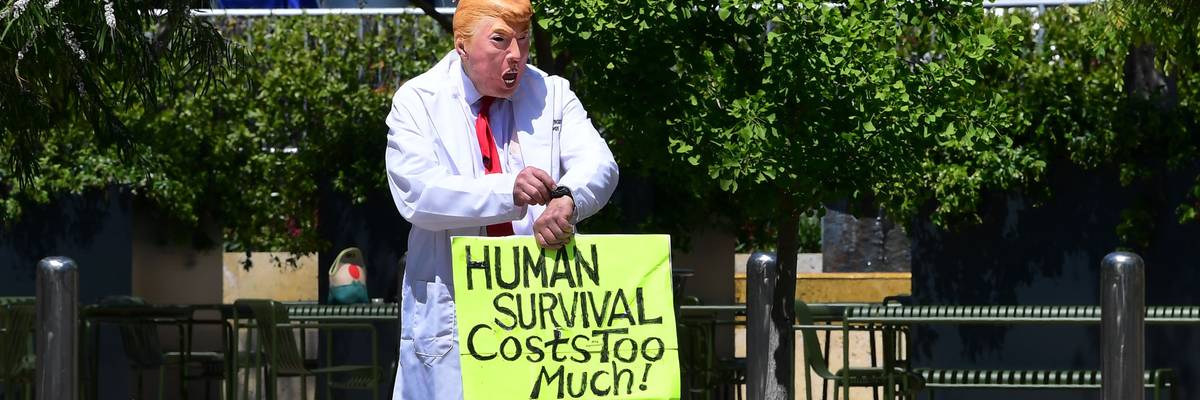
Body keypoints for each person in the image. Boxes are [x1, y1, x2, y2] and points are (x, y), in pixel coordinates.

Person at [383, 0, 619, 398]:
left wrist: (567, 199)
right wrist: (506, 190)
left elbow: (599, 163)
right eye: (500, 41)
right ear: (461, 45)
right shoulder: (418, 100)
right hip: (454, 314)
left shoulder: (553, 93)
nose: (516, 56)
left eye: (524, 41)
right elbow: (418, 192)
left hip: (535, 315)